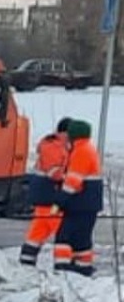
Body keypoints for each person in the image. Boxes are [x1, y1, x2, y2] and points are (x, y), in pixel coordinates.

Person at [53, 119, 104, 276]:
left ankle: (62, 269)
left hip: (80, 203)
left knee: (64, 236)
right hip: (88, 204)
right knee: (81, 239)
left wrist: (60, 201)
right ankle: (83, 267)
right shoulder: (87, 148)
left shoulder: (80, 151)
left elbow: (73, 182)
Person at [19, 117, 71, 266]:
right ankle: (65, 264)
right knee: (63, 232)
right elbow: (54, 173)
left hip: (45, 197)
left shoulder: (55, 145)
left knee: (38, 231)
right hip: (50, 197)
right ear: (65, 133)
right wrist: (71, 177)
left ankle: (27, 260)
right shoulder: (54, 146)